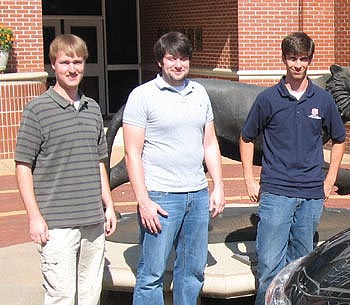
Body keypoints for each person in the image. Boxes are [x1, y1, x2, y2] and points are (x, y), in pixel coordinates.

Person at [239, 31, 346, 305]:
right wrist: (250, 180)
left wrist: (329, 178)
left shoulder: (322, 100)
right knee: (269, 268)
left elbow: (339, 139)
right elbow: (246, 137)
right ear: (284, 59)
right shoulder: (268, 99)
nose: (297, 64)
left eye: (303, 59)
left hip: (311, 194)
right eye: (292, 58)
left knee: (301, 267)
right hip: (276, 192)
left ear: (310, 60)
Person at [123, 31, 225, 305]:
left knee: (192, 272)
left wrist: (218, 186)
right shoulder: (142, 96)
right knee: (151, 274)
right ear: (160, 61)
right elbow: (132, 153)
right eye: (172, 58)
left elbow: (210, 143)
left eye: (183, 58)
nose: (178, 64)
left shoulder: (199, 93)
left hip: (197, 195)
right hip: (161, 197)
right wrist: (143, 201)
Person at [14, 33, 117, 305]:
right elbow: (23, 166)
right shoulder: (37, 110)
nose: (72, 69)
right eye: (65, 62)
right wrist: (34, 216)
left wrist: (108, 205)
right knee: (61, 296)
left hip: (93, 221)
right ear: (53, 65)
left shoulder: (93, 109)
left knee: (89, 294)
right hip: (57, 225)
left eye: (78, 62)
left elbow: (98, 162)